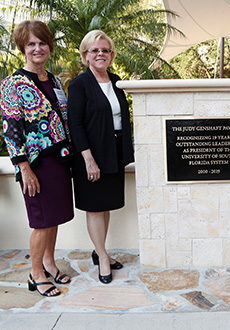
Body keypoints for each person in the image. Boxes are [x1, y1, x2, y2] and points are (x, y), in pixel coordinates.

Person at [1, 20, 73, 296]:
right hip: (35, 164)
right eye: (31, 43)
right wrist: (24, 168)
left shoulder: (53, 80)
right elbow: (11, 129)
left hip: (59, 159)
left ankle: (49, 264)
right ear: (23, 48)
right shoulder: (13, 83)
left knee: (53, 218)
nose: (37, 48)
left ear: (49, 47)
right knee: (41, 221)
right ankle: (35, 274)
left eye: (42, 42)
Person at [68, 30, 134, 284]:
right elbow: (75, 124)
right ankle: (103, 258)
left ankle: (100, 250)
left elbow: (119, 120)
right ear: (85, 55)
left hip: (113, 152)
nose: (100, 54)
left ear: (111, 55)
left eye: (105, 50)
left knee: (105, 206)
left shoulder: (116, 81)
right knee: (95, 208)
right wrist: (88, 159)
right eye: (94, 50)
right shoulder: (79, 84)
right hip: (91, 154)